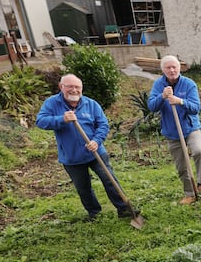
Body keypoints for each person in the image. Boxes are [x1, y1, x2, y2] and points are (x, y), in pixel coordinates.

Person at [36, 74, 138, 220]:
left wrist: (97, 140)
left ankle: (124, 209)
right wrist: (61, 119)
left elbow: (103, 124)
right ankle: (94, 212)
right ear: (61, 87)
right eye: (70, 86)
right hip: (72, 156)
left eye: (77, 87)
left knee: (109, 179)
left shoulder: (91, 104)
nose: (74, 90)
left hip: (95, 152)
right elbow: (41, 121)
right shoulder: (52, 103)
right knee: (83, 187)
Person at [147, 55, 201, 204]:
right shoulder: (158, 85)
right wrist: (162, 96)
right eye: (168, 68)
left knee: (198, 151)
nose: (172, 70)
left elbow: (196, 108)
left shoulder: (189, 84)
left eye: (174, 67)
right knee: (181, 164)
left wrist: (180, 101)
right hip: (172, 131)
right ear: (163, 70)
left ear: (179, 68)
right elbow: (151, 106)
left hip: (190, 127)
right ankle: (189, 193)